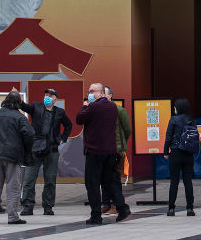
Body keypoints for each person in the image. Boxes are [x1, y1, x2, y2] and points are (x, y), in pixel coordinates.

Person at [77, 82, 130, 225]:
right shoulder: (113, 107)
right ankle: (122, 207)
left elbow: (79, 119)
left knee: (92, 183)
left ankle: (96, 215)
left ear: (101, 93)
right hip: (110, 151)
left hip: (95, 151)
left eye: (92, 91)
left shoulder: (93, 107)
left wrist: (85, 106)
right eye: (89, 91)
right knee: (109, 182)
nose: (89, 94)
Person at [0, 90, 34, 225]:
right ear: (18, 103)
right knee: (13, 187)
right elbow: (30, 134)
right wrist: (25, 149)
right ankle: (13, 217)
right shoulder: (20, 117)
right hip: (12, 156)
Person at [19, 88, 72, 216]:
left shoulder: (59, 112)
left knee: (50, 179)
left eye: (50, 95)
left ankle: (48, 206)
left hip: (52, 149)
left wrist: (63, 138)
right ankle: (27, 205)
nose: (47, 97)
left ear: (55, 99)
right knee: (29, 179)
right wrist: (17, 97)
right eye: (46, 95)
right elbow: (24, 107)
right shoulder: (36, 107)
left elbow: (68, 125)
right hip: (35, 147)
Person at [101, 85, 132, 215]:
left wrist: (121, 144)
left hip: (116, 149)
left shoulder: (119, 110)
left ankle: (115, 205)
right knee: (103, 178)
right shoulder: (99, 111)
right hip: (102, 150)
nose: (102, 97)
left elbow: (127, 129)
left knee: (114, 178)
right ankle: (106, 203)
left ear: (110, 96)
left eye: (104, 94)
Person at [164, 98, 198, 216]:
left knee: (174, 181)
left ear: (178, 107)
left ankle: (171, 209)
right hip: (188, 154)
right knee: (188, 181)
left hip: (175, 152)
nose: (174, 108)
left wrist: (165, 152)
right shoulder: (191, 120)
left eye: (175, 106)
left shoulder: (173, 119)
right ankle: (190, 208)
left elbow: (168, 136)